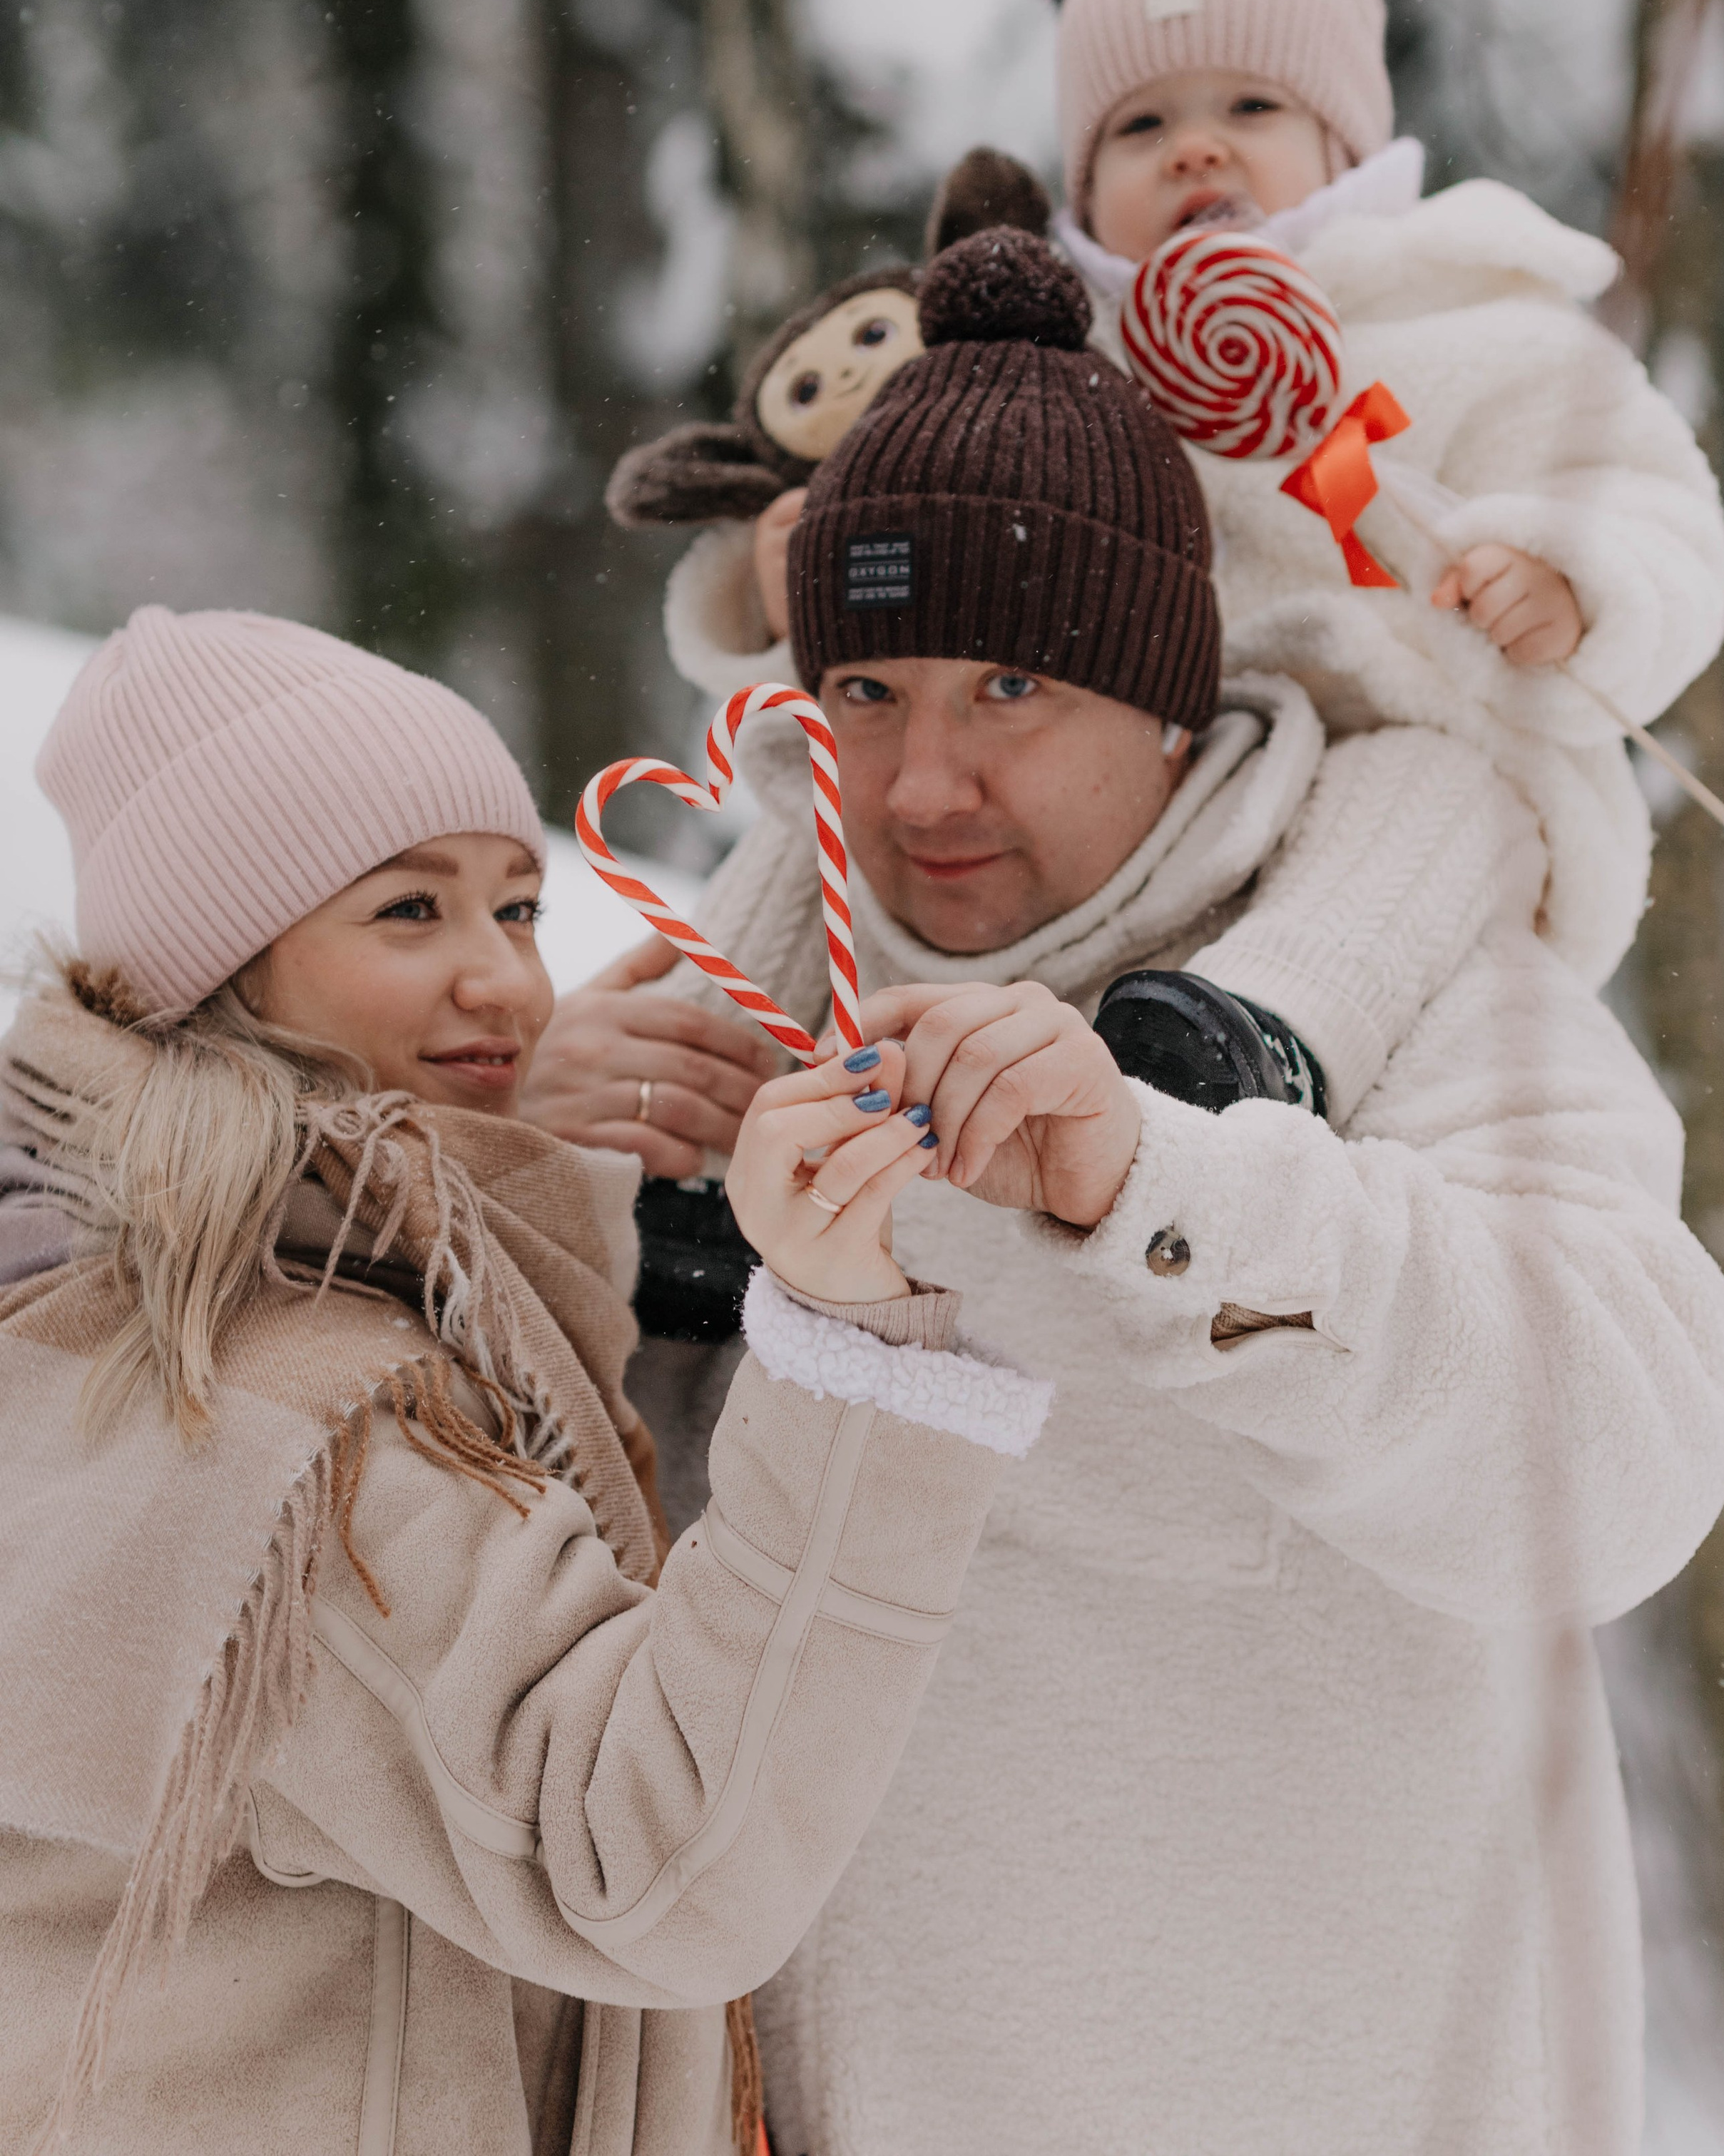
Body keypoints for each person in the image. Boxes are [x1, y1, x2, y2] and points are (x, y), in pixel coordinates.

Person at [525, 237, 1724, 2154]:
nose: (925, 776)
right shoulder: (722, 1010)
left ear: (1171, 704)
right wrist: (530, 1191)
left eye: (1012, 684)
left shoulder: (1415, 971)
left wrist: (1178, 1203)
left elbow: (1636, 1458)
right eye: (867, 688)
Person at [0, 606, 1047, 2156]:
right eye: (410, 913)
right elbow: (649, 1861)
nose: (506, 981)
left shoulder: (86, 1297)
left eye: (516, 906)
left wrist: (492, 1171)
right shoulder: (289, 1423)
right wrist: (858, 1350)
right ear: (217, 971)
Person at [651, 0, 1724, 1022]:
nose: (1196, 152)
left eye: (1253, 108)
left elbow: (1655, 508)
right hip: (1110, 818)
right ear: (1080, 175)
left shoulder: (1473, 320)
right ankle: (703, 1078)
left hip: (1381, 796)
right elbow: (902, 626)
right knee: (824, 807)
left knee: (1425, 799)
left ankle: (1249, 1043)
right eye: (1144, 123)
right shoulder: (1024, 374)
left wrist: (1571, 582)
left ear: (1351, 143)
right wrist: (789, 601)